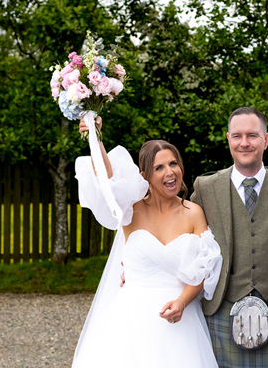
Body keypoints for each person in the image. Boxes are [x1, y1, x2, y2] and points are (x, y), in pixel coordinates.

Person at [71, 117, 222, 368]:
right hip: (131, 322)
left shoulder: (193, 212)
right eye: (159, 167)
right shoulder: (131, 210)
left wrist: (182, 301)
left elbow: (204, 270)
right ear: (145, 176)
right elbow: (107, 182)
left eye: (174, 163)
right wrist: (95, 138)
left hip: (180, 323)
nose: (170, 172)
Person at [190, 107, 268, 368]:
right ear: (228, 139)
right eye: (237, 136)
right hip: (223, 309)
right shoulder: (206, 188)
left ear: (266, 140)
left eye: (252, 135)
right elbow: (180, 230)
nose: (244, 143)